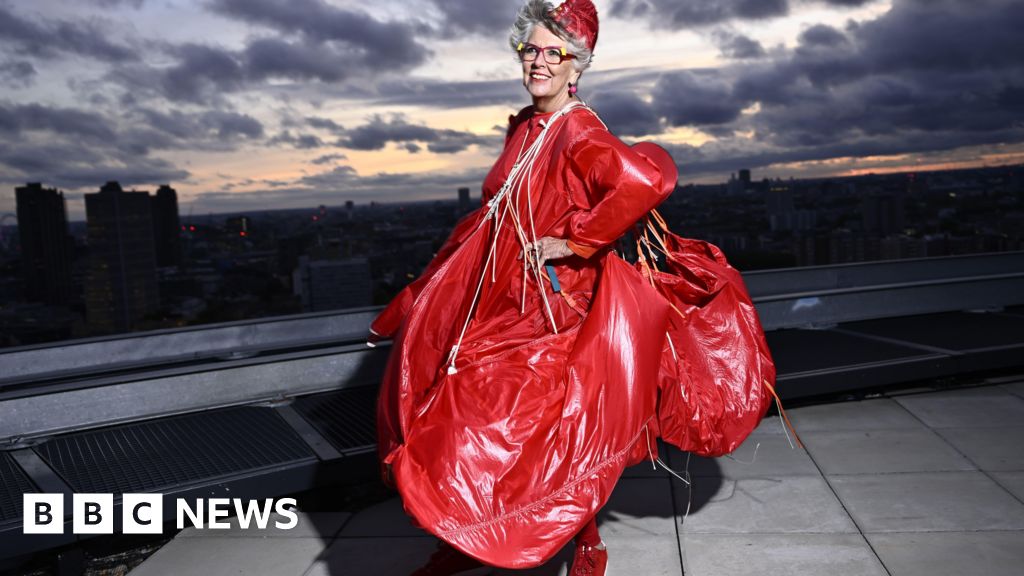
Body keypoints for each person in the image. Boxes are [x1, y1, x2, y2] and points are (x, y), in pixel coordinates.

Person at [369, 1, 774, 574]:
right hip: (499, 298)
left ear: (576, 66)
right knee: (481, 420)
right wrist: (427, 291)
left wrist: (576, 241)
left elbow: (642, 180)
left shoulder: (578, 129)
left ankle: (579, 544)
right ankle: (467, 537)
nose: (538, 61)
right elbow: (492, 217)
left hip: (549, 307)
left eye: (553, 52)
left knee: (526, 429)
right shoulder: (526, 125)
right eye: (529, 49)